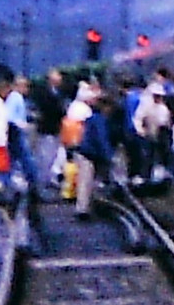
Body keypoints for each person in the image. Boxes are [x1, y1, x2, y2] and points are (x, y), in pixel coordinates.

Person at [73, 92, 117, 220]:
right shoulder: (99, 119)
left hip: (90, 153)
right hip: (88, 153)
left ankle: (87, 207)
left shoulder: (94, 117)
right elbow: (101, 139)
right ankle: (82, 210)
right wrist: (109, 156)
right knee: (85, 181)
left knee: (88, 182)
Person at [31, 69, 68, 197]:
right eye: (57, 76)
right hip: (47, 128)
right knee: (45, 156)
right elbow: (47, 108)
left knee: (54, 155)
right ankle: (42, 181)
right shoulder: (44, 92)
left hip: (57, 128)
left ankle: (50, 178)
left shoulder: (60, 92)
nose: (60, 79)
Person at [4, 75, 39, 196]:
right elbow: (9, 116)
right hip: (16, 133)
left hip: (14, 133)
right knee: (26, 159)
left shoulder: (15, 97)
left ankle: (5, 183)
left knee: (12, 160)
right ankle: (33, 183)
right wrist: (22, 125)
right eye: (25, 85)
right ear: (18, 86)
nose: (27, 88)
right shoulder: (16, 97)